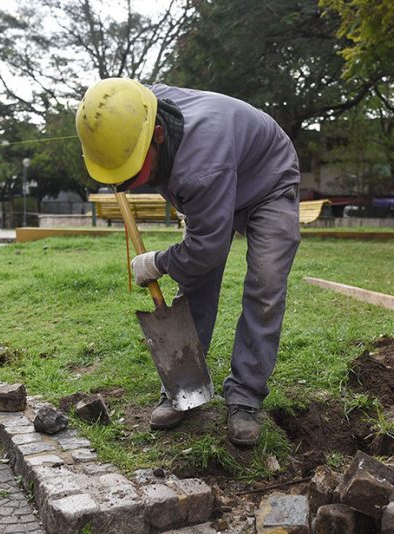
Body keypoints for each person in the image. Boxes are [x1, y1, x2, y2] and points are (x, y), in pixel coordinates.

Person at [75, 78, 301, 447]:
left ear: (159, 136)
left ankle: (244, 396)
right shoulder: (137, 106)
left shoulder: (201, 165)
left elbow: (207, 250)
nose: (127, 185)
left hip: (266, 181)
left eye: (132, 173)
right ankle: (184, 386)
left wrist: (159, 262)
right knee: (195, 285)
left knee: (266, 285)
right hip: (218, 174)